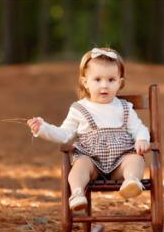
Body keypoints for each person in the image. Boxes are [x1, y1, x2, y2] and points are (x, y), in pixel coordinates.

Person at [27, 47, 150, 212]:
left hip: (120, 162)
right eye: (97, 79)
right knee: (80, 166)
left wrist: (142, 139)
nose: (104, 85)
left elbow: (139, 128)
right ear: (85, 82)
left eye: (111, 80)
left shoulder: (125, 108)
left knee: (136, 160)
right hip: (92, 161)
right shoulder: (79, 109)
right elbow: (64, 135)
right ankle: (77, 193)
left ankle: (131, 181)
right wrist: (43, 128)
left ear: (120, 82)